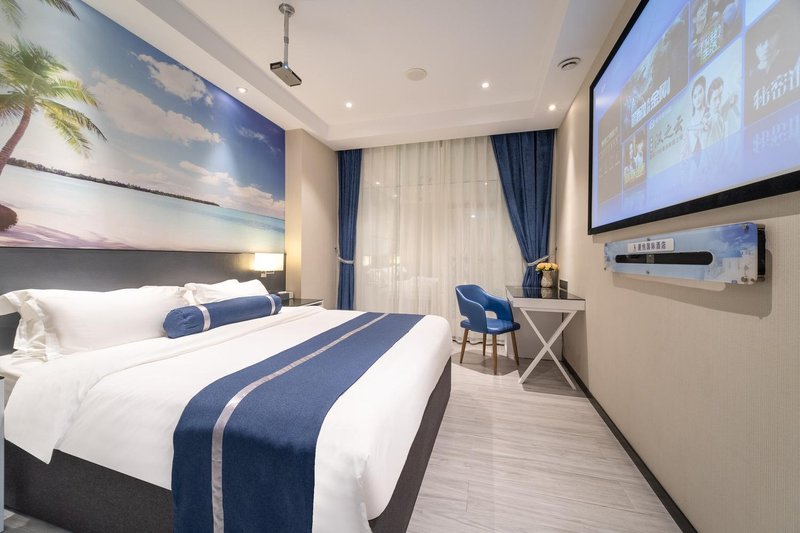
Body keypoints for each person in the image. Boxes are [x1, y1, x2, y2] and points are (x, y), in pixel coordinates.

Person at [704, 77, 740, 146]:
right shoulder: (712, 120)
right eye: (715, 99)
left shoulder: (720, 115)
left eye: (720, 96)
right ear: (708, 103)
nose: (718, 102)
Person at [684, 75, 708, 157]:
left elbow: (703, 126)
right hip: (694, 161)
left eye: (700, 92)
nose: (697, 98)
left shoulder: (709, 112)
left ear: (704, 92)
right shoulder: (690, 122)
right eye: (694, 96)